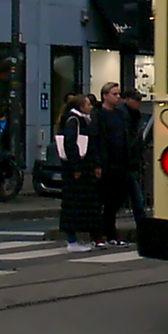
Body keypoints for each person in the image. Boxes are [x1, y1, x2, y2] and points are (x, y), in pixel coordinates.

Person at [58, 94, 102, 252]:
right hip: (78, 170)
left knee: (80, 204)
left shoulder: (82, 120)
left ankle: (76, 239)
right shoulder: (74, 121)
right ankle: (72, 241)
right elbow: (70, 143)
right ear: (81, 106)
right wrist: (76, 167)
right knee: (74, 205)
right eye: (88, 104)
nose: (91, 107)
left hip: (84, 168)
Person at [94, 82, 132, 245]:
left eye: (118, 94)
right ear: (105, 96)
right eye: (114, 94)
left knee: (116, 199)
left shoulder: (120, 114)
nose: (118, 97)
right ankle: (100, 233)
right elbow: (97, 139)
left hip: (120, 162)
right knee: (102, 200)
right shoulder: (99, 115)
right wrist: (98, 164)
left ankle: (111, 232)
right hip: (106, 163)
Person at [121, 89, 148, 223]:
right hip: (127, 161)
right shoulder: (126, 115)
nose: (139, 103)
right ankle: (141, 222)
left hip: (131, 161)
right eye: (136, 100)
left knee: (133, 195)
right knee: (135, 195)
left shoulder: (133, 115)